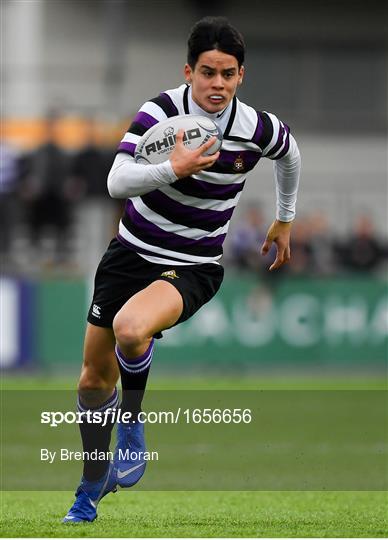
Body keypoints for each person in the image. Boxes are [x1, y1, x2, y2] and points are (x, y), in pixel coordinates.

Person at [63, 16, 301, 523]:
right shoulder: (160, 111)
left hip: (192, 265)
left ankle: (131, 422)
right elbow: (117, 181)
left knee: (131, 329)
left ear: (241, 75)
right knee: (89, 381)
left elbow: (289, 154)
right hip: (129, 254)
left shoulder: (255, 127)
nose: (218, 85)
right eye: (208, 73)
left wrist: (285, 218)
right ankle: (91, 483)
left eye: (229, 74)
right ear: (188, 71)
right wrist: (174, 168)